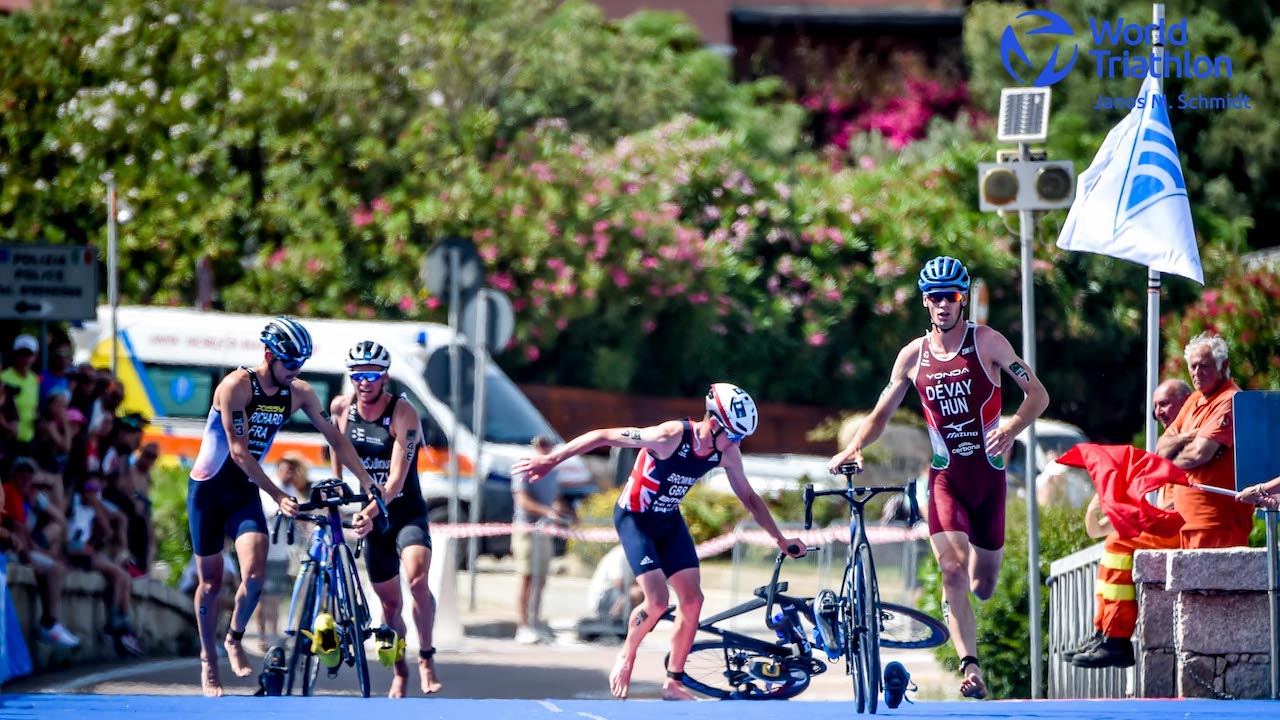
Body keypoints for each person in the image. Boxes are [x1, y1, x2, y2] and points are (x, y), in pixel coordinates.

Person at [827, 256, 1049, 699]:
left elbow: (1038, 395)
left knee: (982, 585)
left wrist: (1010, 426)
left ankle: (971, 599)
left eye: (950, 296)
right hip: (946, 480)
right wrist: (854, 447)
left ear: (961, 299)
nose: (943, 304)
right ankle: (971, 666)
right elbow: (882, 413)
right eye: (934, 297)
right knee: (951, 569)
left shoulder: (987, 341)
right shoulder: (913, 355)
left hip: (989, 484)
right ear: (925, 302)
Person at [513, 382, 807, 701]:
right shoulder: (668, 436)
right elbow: (601, 436)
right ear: (713, 421)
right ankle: (627, 655)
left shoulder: (727, 452)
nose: (736, 443)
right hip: (635, 519)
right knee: (656, 600)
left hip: (668, 521)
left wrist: (780, 539)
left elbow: (748, 497)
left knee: (693, 600)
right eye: (734, 434)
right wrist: (551, 460)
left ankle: (673, 682)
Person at [187, 317, 379, 697]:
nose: (295, 373)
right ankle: (209, 660)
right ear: (269, 355)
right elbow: (239, 453)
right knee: (209, 582)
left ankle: (234, 637)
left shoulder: (300, 392)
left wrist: (370, 483)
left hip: (244, 491)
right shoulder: (235, 387)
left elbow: (336, 440)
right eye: (290, 365)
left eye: (300, 366)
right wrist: (279, 495)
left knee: (254, 577)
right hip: (209, 489)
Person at [329, 340, 442, 698]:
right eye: (358, 375)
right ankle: (401, 670)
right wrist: (336, 489)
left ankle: (426, 656)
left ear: (385, 378)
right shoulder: (342, 408)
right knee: (390, 609)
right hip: (372, 518)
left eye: (372, 375)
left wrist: (367, 510)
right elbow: (337, 446)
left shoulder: (403, 413)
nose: (364, 382)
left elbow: (393, 482)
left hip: (405, 510)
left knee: (418, 578)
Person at [1068, 378, 1191, 669]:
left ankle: (1115, 640)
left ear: (1187, 402)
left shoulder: (1191, 437)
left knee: (1118, 543)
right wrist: (1102, 509)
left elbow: (1180, 505)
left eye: (1165, 403)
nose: (1159, 412)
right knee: (1115, 541)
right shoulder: (1175, 440)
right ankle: (1105, 633)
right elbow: (1096, 530)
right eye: (1155, 407)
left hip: (1188, 531)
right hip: (1174, 526)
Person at [1158, 334, 1252, 548]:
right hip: (1187, 522)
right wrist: (1188, 437)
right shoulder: (1194, 400)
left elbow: (1199, 453)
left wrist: (1166, 465)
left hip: (1216, 522)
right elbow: (1161, 447)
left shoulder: (1230, 400)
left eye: (1204, 366)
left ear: (1223, 366)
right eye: (1192, 367)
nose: (1196, 373)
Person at [512, 435, 571, 644]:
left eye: (547, 444)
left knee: (541, 578)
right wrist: (547, 510)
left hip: (544, 529)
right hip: (527, 528)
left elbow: (555, 497)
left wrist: (565, 512)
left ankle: (535, 622)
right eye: (540, 444)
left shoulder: (552, 472)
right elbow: (521, 498)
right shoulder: (525, 468)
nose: (544, 448)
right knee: (527, 577)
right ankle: (523, 625)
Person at [2, 335, 41, 457]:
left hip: (29, 438)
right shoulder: (3, 378)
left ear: (35, 356)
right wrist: (7, 427)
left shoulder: (34, 379)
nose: (25, 358)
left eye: (28, 354)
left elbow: (34, 407)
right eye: (21, 353)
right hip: (7, 439)